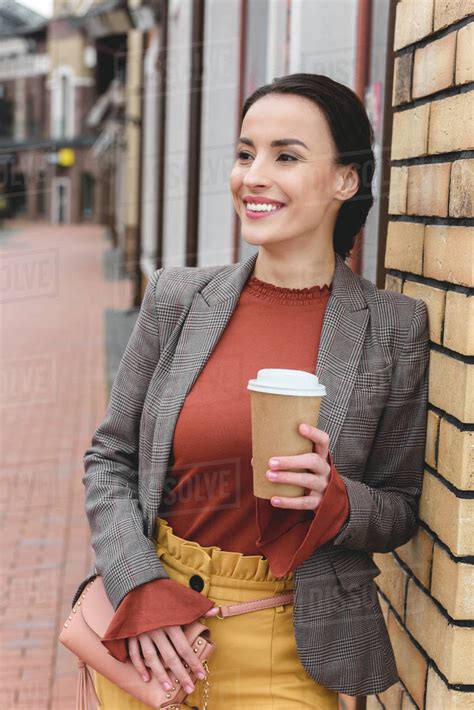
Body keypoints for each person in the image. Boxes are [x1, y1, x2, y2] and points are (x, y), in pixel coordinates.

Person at [72, 73, 429, 708]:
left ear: (346, 180)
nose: (252, 176)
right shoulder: (177, 299)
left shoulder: (393, 328)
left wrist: (337, 499)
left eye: (285, 156)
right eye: (245, 154)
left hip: (287, 640)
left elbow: (400, 506)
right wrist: (137, 582)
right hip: (155, 629)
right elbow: (111, 458)